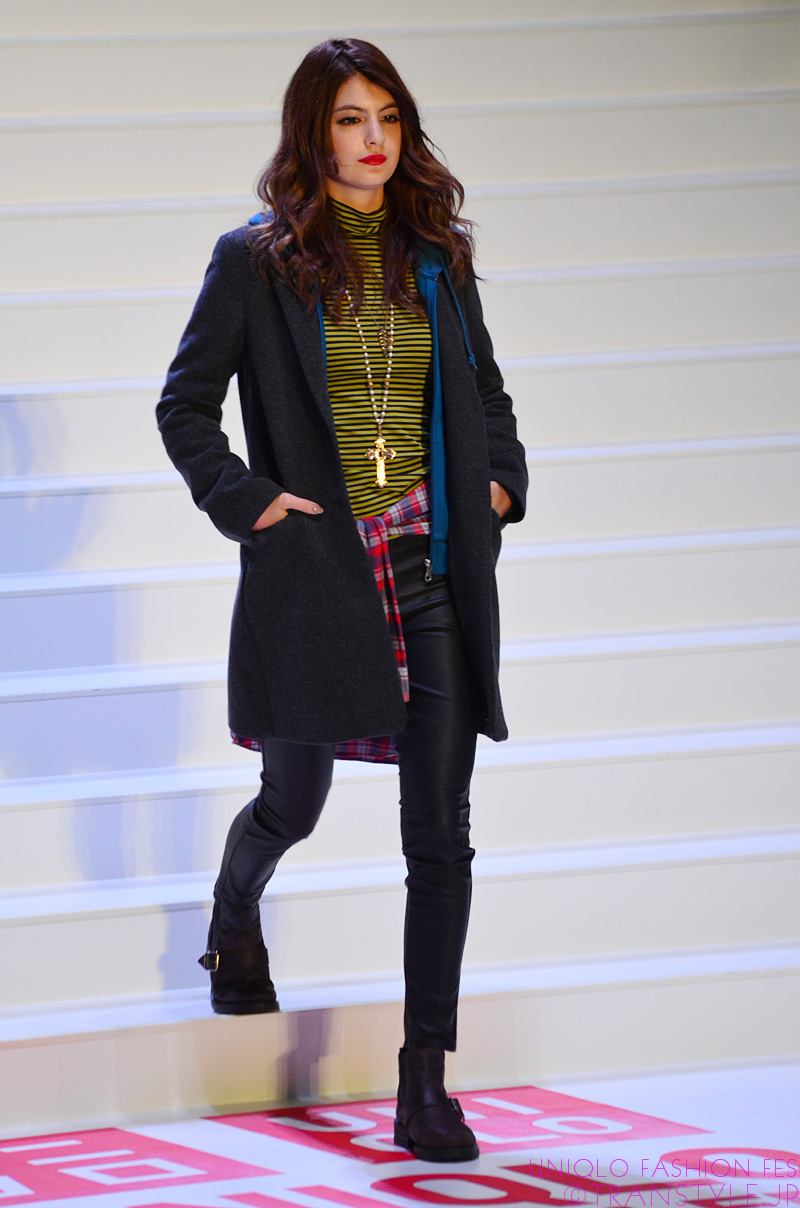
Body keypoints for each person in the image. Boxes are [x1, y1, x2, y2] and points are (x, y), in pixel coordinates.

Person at [157, 37, 527, 1164]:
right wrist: (250, 502)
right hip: (319, 571)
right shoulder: (254, 260)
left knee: (441, 836)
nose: (374, 140)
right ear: (313, 133)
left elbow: (484, 389)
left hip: (431, 563)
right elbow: (184, 405)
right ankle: (233, 916)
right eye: (351, 120)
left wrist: (501, 483)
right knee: (294, 801)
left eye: (389, 119)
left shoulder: (436, 256)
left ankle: (425, 1079)